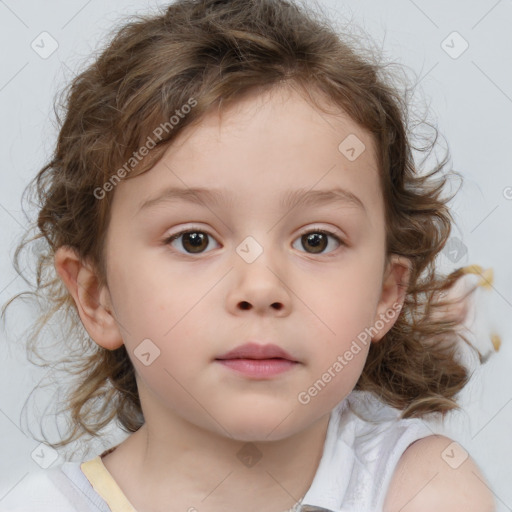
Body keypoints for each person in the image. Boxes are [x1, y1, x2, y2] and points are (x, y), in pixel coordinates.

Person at [0, 0, 497, 510]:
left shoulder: (422, 487)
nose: (260, 289)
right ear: (96, 296)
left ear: (386, 295)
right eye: (194, 240)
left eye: (316, 240)